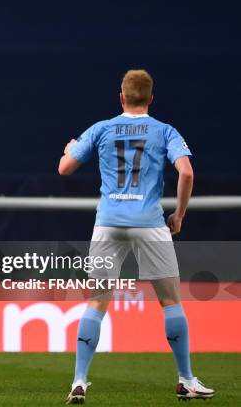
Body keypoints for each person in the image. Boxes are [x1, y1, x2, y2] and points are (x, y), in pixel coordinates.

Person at [58, 69, 214, 403]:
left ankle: (79, 381)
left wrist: (70, 148)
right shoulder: (164, 131)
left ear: (122, 97)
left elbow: (64, 168)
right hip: (149, 222)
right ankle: (186, 380)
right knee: (170, 301)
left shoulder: (102, 128)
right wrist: (180, 215)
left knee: (97, 302)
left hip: (108, 222)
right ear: (151, 99)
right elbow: (186, 172)